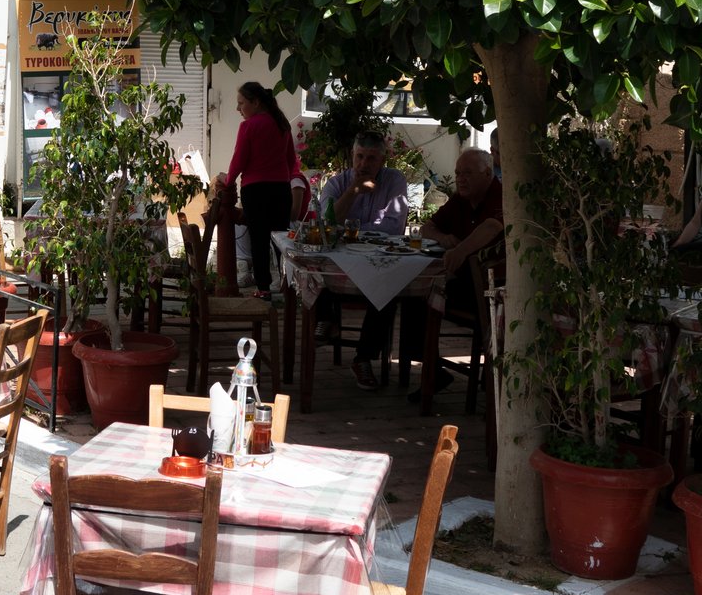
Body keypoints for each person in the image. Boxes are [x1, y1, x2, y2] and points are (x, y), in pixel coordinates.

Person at [316, 131, 411, 389]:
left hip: (378, 264)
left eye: (371, 158)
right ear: (352, 156)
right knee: (314, 265)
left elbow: (394, 227)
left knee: (390, 287)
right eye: (359, 157)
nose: (364, 164)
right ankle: (327, 320)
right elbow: (326, 224)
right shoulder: (337, 183)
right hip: (340, 270)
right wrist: (353, 192)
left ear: (382, 160)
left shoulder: (395, 182)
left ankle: (364, 358)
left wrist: (351, 230)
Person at [215, 82, 299, 299]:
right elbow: (291, 162)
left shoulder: (249, 126)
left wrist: (229, 180)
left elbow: (239, 160)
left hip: (256, 191)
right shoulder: (282, 125)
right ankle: (289, 288)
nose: (238, 109)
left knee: (259, 241)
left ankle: (263, 289)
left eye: (241, 103)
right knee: (281, 240)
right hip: (281, 190)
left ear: (255, 102)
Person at [422, 147, 504, 318]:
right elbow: (426, 229)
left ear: (487, 173)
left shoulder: (500, 194)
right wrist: (443, 238)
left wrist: (460, 251)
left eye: (467, 173)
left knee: (422, 295)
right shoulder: (460, 199)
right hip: (463, 280)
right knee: (416, 293)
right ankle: (418, 346)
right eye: (458, 173)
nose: (460, 179)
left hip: (494, 288)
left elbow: (492, 226)